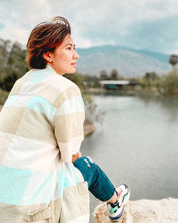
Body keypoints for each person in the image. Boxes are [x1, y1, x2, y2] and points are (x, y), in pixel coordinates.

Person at [0, 16, 130, 223]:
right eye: (69, 48)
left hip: (4, 201)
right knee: (86, 164)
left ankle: (116, 199)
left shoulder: (21, 83)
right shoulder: (65, 89)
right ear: (48, 54)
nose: (76, 55)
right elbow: (71, 154)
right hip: (33, 208)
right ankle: (115, 201)